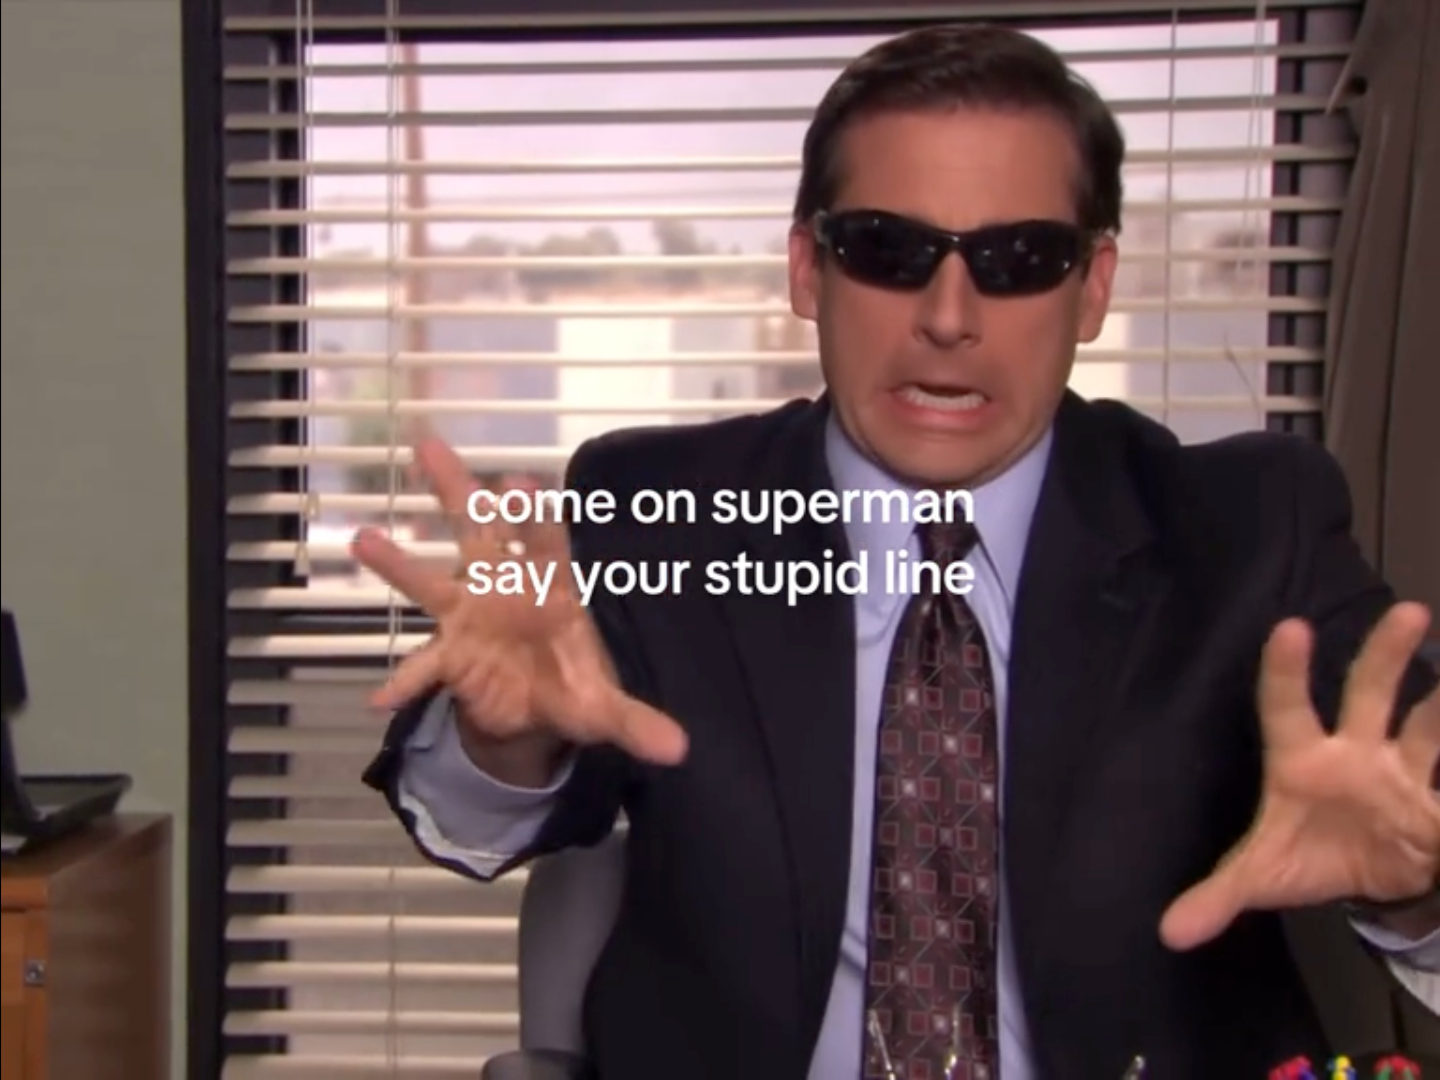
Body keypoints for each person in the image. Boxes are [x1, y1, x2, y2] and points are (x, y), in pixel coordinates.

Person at [355, 23, 1440, 1080]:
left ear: (1095, 285)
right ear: (806, 270)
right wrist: (506, 739)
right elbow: (481, 819)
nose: (949, 316)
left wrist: (1413, 890)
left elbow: (1404, 796)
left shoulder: (1247, 526)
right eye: (889, 249)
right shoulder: (659, 508)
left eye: (1019, 259)